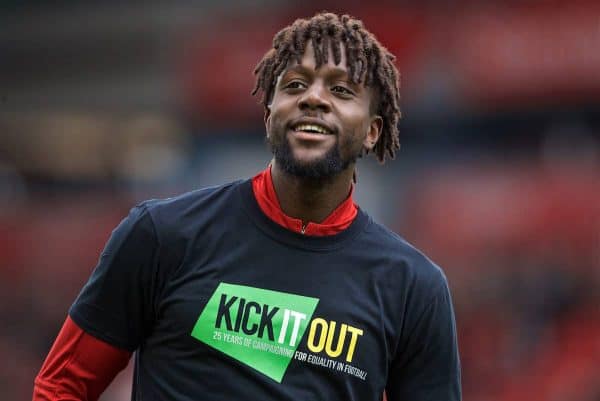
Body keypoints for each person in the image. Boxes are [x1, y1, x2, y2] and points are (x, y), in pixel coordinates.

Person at [33, 12, 461, 401]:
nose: (313, 98)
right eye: (294, 85)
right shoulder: (162, 235)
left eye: (342, 89)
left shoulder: (413, 288)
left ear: (372, 131)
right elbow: (62, 385)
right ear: (270, 111)